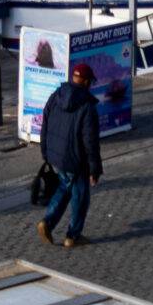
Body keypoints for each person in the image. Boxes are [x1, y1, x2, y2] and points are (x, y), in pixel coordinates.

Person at [35, 63, 102, 248]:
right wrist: (95, 169)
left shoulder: (56, 96)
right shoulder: (87, 107)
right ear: (87, 82)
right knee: (80, 197)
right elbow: (90, 142)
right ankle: (72, 235)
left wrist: (45, 152)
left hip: (55, 156)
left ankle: (47, 223)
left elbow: (45, 124)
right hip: (75, 160)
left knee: (65, 186)